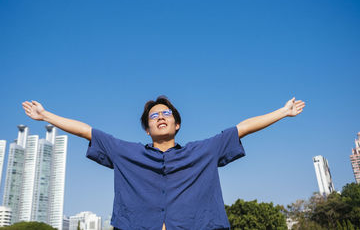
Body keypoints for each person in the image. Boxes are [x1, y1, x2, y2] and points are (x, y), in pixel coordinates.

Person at [22, 96, 305, 230]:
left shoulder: (203, 151)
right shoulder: (125, 152)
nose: (160, 116)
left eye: (166, 113)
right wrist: (46, 116)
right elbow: (86, 131)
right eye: (154, 116)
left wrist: (283, 111)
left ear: (176, 123)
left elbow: (242, 128)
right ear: (147, 128)